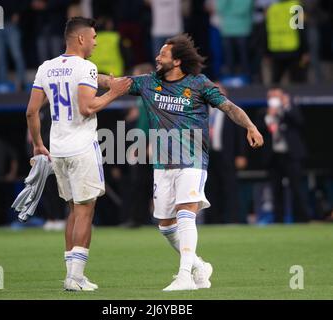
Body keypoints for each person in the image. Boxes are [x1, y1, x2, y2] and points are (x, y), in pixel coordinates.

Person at [122, 34, 264, 291]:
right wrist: (84, 73)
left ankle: (185, 276)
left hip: (192, 158)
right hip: (162, 165)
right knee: (165, 225)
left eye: (162, 55)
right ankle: (199, 265)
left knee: (186, 214)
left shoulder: (199, 84)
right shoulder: (148, 83)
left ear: (177, 61)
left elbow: (230, 107)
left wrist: (251, 126)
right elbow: (115, 82)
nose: (157, 58)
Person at [26, 17, 131, 291]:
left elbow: (31, 111)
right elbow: (87, 107)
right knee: (85, 213)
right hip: (82, 147)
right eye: (94, 37)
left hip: (57, 149)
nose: (96, 42)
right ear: (81, 39)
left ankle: (73, 274)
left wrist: (38, 144)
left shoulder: (46, 68)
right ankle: (74, 278)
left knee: (72, 211)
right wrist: (115, 93)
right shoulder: (86, 67)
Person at [256, 88, 310, 223]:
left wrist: (285, 106)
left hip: (291, 156)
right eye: (271, 96)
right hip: (273, 157)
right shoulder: (263, 113)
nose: (274, 99)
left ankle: (302, 219)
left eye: (277, 96)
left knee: (296, 187)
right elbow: (259, 130)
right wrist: (269, 116)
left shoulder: (291, 110)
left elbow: (299, 122)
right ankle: (278, 219)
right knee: (276, 190)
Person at [205, 83, 248, 224]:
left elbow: (240, 135)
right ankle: (212, 220)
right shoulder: (202, 111)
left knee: (230, 187)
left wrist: (241, 155)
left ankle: (232, 219)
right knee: (210, 188)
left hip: (227, 155)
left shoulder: (232, 111)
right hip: (208, 156)